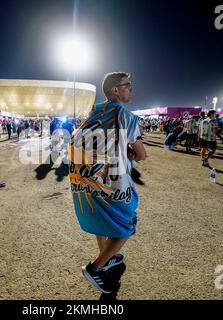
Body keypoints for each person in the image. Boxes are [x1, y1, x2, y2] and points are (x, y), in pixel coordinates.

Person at [68, 72, 146, 294]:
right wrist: (131, 152)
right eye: (128, 85)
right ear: (116, 90)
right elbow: (141, 154)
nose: (131, 88)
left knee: (100, 219)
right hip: (112, 183)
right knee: (126, 225)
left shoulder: (92, 115)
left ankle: (107, 258)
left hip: (85, 181)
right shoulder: (126, 117)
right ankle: (96, 268)